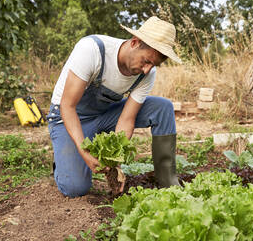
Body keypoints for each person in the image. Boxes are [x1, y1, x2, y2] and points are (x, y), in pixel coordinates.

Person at [47, 16, 182, 198]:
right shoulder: (92, 50)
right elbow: (67, 106)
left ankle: (167, 180)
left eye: (153, 65)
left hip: (104, 115)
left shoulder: (146, 74)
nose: (147, 70)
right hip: (68, 118)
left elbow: (127, 119)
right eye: (146, 61)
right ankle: (65, 158)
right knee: (75, 188)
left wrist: (115, 163)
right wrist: (83, 151)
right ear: (134, 42)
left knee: (162, 107)